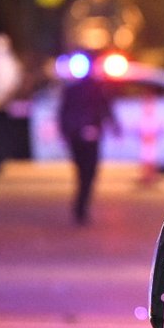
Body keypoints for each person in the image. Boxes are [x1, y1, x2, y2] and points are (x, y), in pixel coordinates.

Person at [59, 75, 119, 225]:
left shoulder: (93, 91)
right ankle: (81, 206)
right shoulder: (75, 91)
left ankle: (81, 206)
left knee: (87, 172)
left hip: (86, 136)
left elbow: (105, 109)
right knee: (86, 172)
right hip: (78, 137)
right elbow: (64, 113)